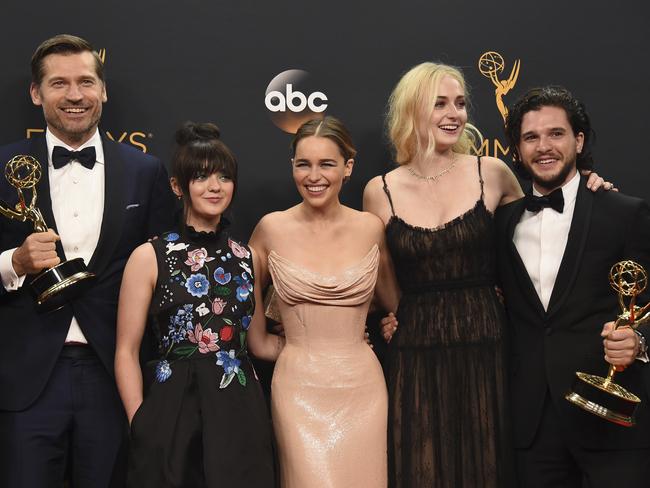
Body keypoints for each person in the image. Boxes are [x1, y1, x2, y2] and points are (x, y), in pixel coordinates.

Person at [365, 62, 610, 487]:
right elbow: (382, 273)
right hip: (415, 347)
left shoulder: (491, 173)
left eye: (459, 103)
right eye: (439, 103)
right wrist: (393, 314)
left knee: (489, 464)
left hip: (488, 340)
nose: (454, 113)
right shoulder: (379, 189)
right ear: (412, 111)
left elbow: (540, 227)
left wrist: (587, 185)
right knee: (423, 467)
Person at [0, 34, 175, 488]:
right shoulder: (3, 168)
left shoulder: (146, 171)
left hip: (113, 372)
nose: (74, 95)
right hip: (28, 377)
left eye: (85, 82)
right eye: (59, 84)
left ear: (103, 90)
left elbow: (167, 274)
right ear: (37, 94)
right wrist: (15, 262)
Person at [496, 85, 650, 487]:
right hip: (532, 427)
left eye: (556, 133)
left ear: (579, 140)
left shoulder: (624, 213)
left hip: (611, 418)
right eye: (531, 137)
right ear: (516, 149)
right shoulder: (500, 223)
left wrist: (639, 341)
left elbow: (644, 304)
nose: (543, 146)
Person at [115, 122, 275, 487]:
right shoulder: (150, 256)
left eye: (224, 176)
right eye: (201, 176)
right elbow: (126, 350)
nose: (215, 186)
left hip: (238, 409)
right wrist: (139, 420)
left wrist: (333, 337)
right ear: (177, 185)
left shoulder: (247, 257)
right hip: (170, 411)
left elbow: (259, 343)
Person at [247, 116, 399, 488]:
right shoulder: (270, 229)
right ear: (293, 167)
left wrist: (391, 322)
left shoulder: (370, 228)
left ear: (348, 167)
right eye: (304, 164)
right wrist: (282, 346)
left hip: (363, 388)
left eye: (326, 164)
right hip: (297, 389)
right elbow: (251, 329)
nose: (314, 176)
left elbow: (394, 302)